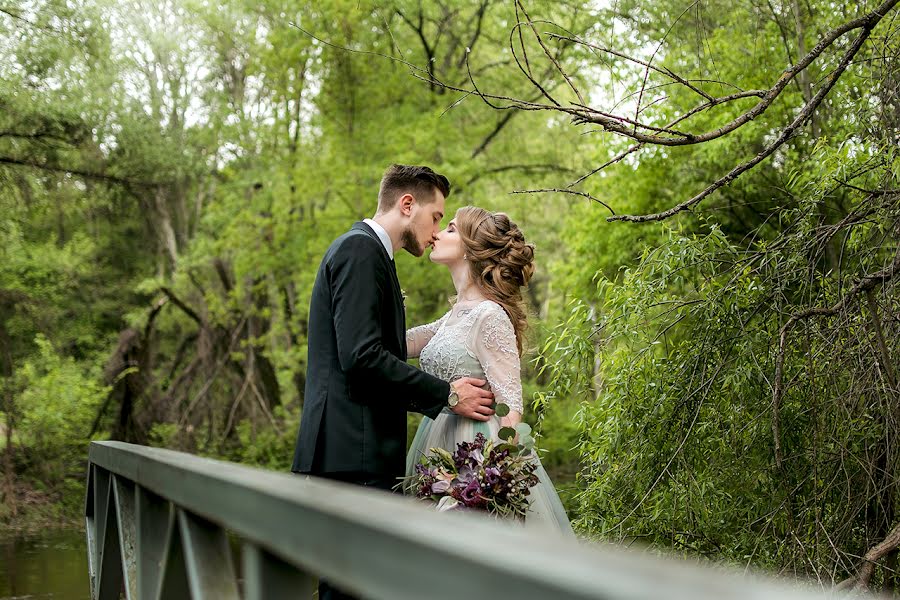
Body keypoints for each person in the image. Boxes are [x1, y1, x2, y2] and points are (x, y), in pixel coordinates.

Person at [291, 165, 496, 599]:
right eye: (437, 216)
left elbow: (378, 348)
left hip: (352, 450)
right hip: (353, 450)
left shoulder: (368, 254)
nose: (437, 228)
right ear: (408, 205)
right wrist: (447, 394)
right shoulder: (361, 253)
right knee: (351, 587)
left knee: (353, 584)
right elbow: (362, 358)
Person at [405, 206, 573, 534]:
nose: (437, 232)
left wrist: (489, 480)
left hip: (474, 453)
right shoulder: (454, 315)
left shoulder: (490, 316)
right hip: (436, 443)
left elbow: (511, 409)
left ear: (471, 249)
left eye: (450, 228)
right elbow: (400, 343)